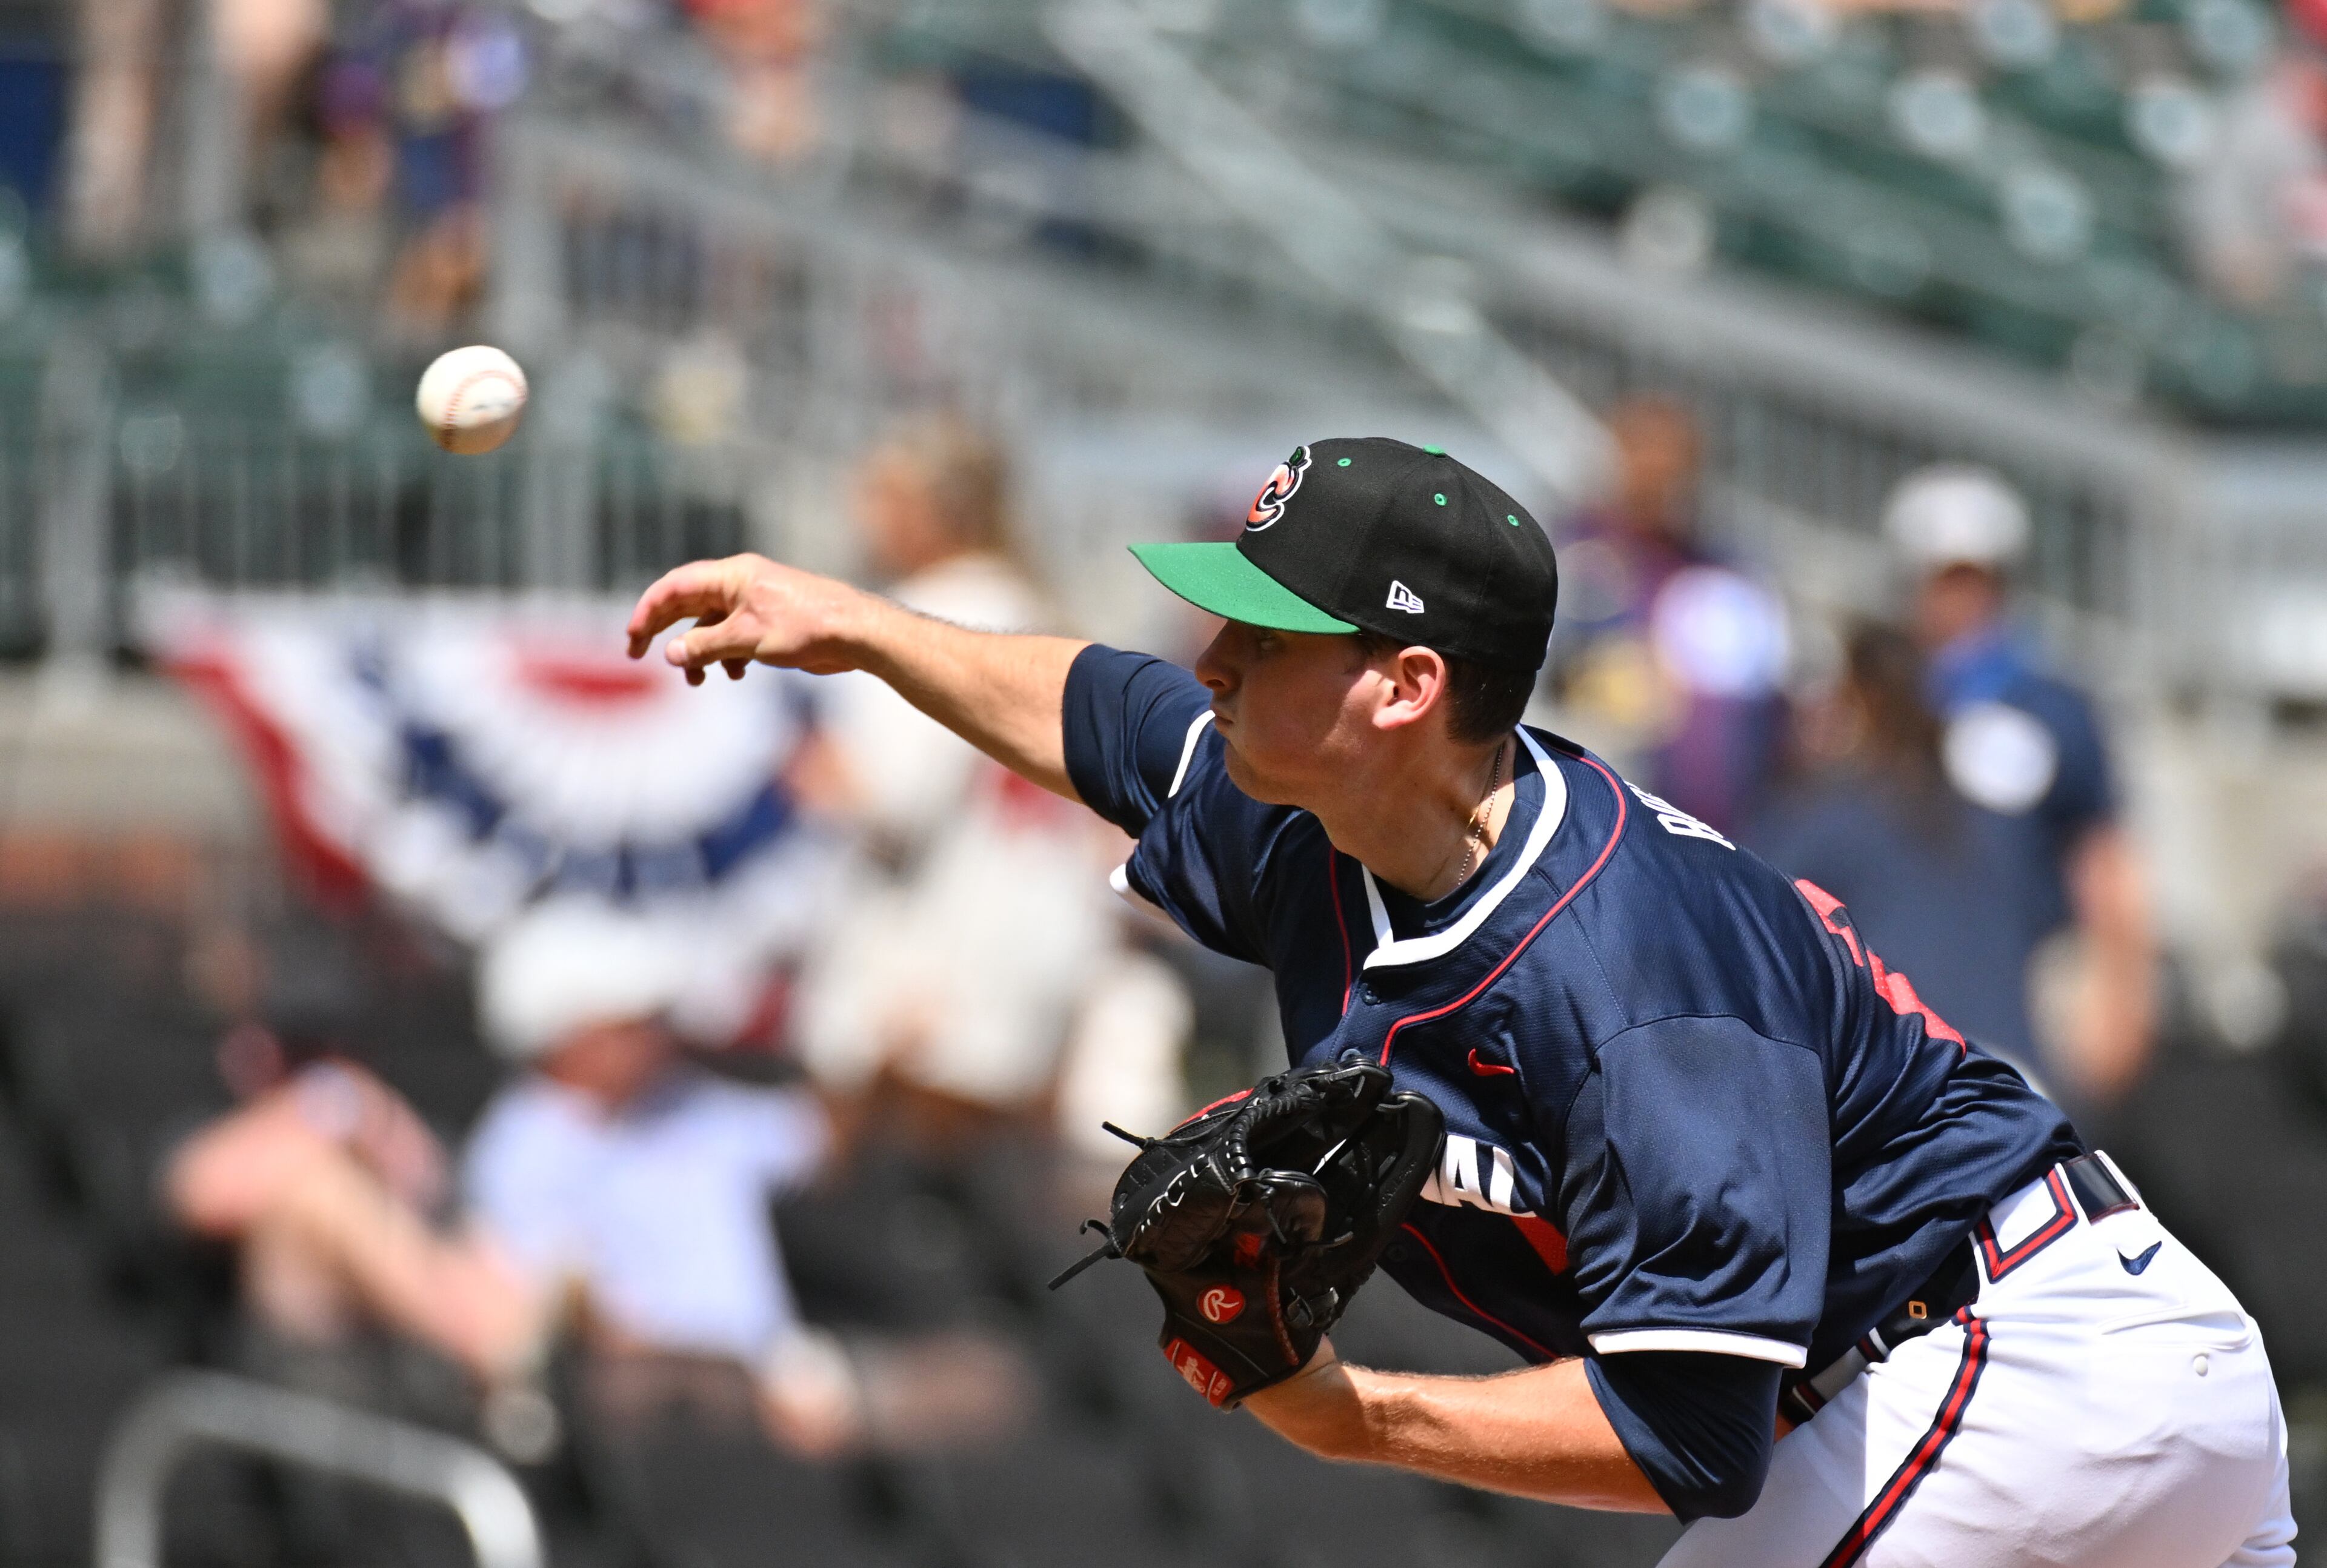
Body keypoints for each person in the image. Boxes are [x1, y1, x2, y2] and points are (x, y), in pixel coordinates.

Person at [627, 436, 2294, 1567]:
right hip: (1987, 1372)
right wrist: (849, 621)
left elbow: (1686, 1426)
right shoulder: (1318, 811)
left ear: (1407, 686)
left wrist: (1351, 1413)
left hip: (2007, 1356)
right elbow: (1105, 718)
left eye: (1268, 629)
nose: (1214, 652)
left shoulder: (1632, 976)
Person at [167, 899, 859, 1454]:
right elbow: (200, 1190)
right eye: (299, 1047)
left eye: (330, 1045)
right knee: (316, 1191)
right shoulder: (281, 1137)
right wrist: (329, 1110)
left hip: (433, 1398)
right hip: (323, 1417)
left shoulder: (398, 1137)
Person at [1885, 465, 2157, 1103]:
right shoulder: (1883, 704)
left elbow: (2103, 853)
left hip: (2025, 989)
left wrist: (2122, 993)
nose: (1961, 601)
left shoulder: (2053, 705)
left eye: (1978, 580)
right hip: (1898, 979)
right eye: (1944, 581)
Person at [1753, 624, 2057, 1083]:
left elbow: (1741, 915)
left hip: (1923, 1084)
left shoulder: (1828, 817)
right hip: (2018, 1084)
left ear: (1858, 699)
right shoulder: (1991, 817)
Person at [1548, 396, 1789, 839]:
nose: (1659, 475)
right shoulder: (1571, 555)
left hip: (1718, 828)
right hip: (1592, 822)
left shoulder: (1722, 572)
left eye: (1676, 461)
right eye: (1645, 454)